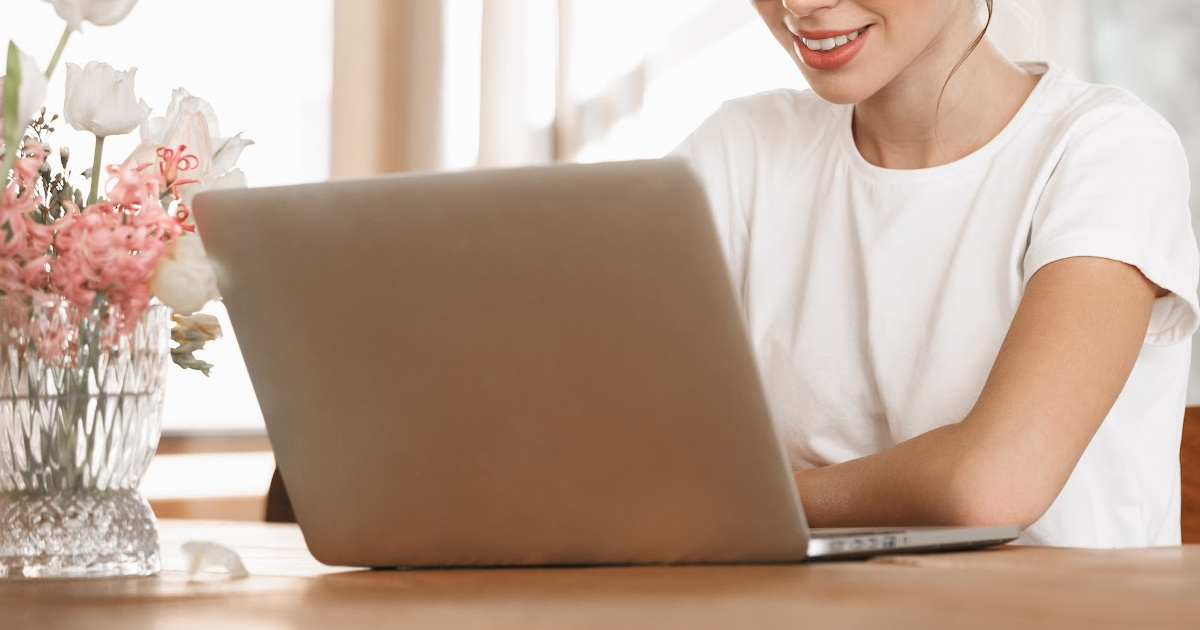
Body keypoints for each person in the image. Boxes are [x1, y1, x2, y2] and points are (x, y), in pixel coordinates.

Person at [672, 0, 1200, 548]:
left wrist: (739, 496)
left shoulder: (1106, 150)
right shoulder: (741, 149)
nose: (800, 4)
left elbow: (993, 485)